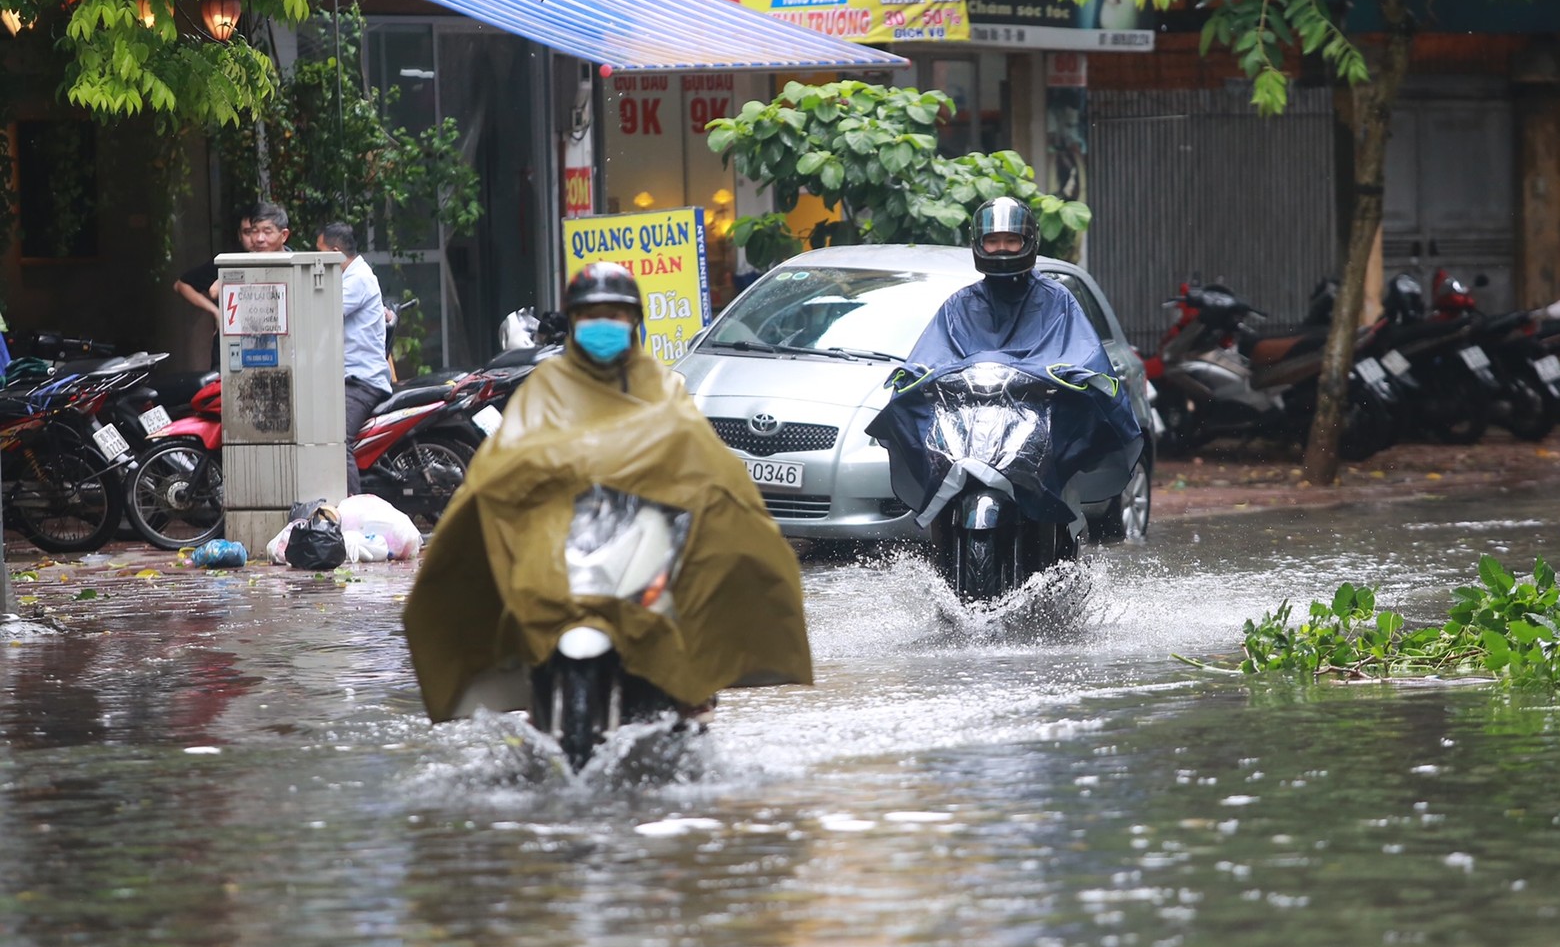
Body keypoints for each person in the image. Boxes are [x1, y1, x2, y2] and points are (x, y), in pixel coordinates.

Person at [402, 259, 811, 731]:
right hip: (561, 538)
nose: (603, 326)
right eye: (592, 316)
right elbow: (506, 461)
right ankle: (532, 695)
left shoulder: (661, 385)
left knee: (693, 599)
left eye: (614, 316)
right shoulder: (547, 387)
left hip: (644, 534)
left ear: (633, 322)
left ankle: (692, 691)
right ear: (574, 322)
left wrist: (708, 501)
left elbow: (702, 462)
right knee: (518, 601)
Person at [872, 197, 1142, 529]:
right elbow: (931, 356)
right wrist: (914, 377)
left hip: (1036, 425)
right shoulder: (959, 305)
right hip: (966, 427)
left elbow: (1082, 354)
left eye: (1011, 240)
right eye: (993, 240)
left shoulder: (1058, 301)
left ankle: (1056, 544)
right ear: (978, 244)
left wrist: (1074, 377)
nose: (1002, 249)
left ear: (1029, 242)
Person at [315, 221, 392, 496]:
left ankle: (351, 512)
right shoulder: (352, 276)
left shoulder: (356, 280)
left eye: (321, 253)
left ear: (335, 252)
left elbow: (321, 314)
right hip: (349, 377)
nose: (318, 261)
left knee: (337, 442)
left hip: (362, 381)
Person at [173, 201, 291, 369]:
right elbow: (212, 290)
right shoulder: (235, 263)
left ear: (283, 235)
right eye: (252, 232)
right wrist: (217, 312)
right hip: (237, 354)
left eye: (267, 232)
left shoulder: (297, 264)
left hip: (281, 352)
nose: (258, 239)